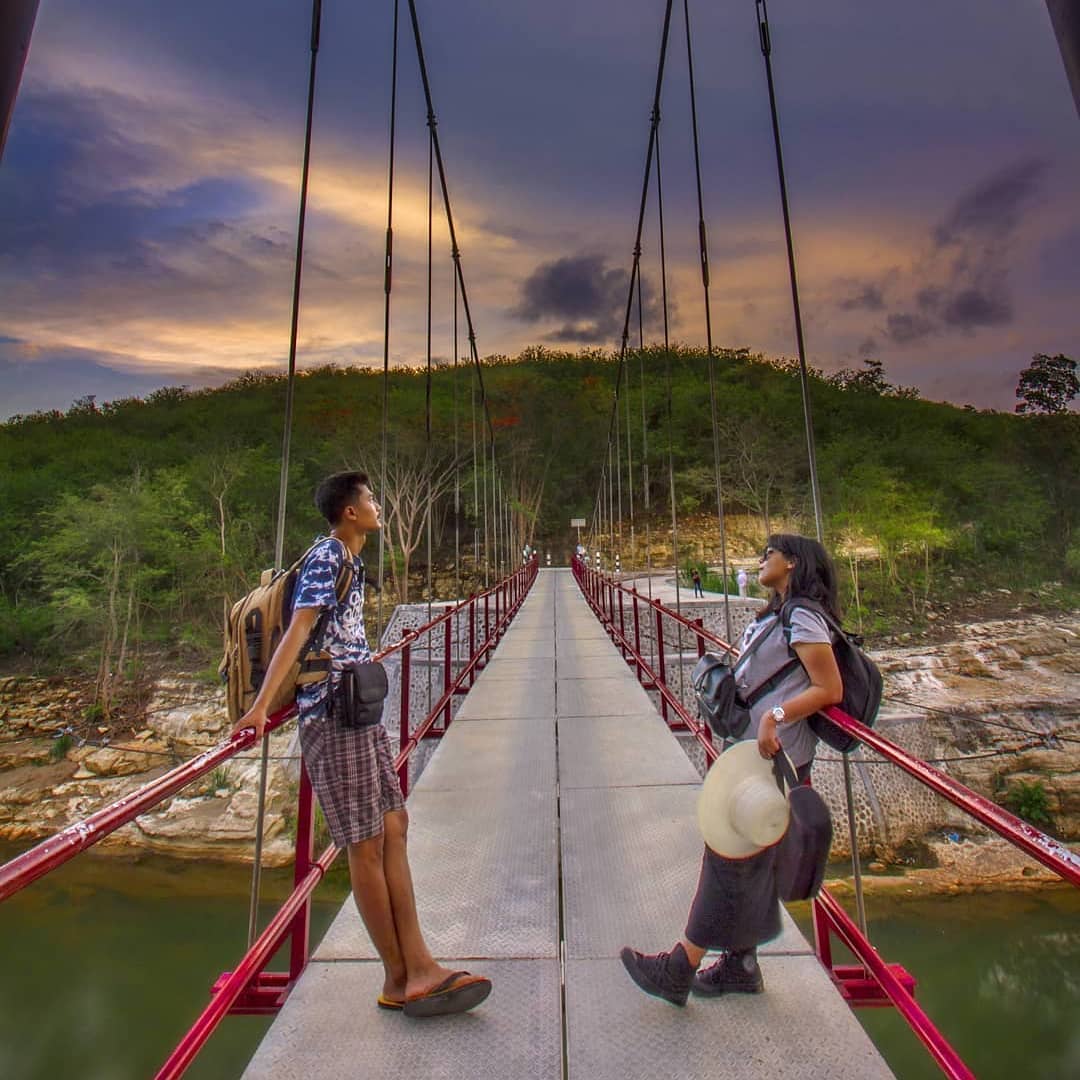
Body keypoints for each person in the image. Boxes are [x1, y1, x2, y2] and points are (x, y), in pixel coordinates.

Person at [234, 471, 491, 1018]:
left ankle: (411, 970)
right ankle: (407, 974)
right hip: (332, 711)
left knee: (394, 827)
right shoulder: (328, 556)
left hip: (358, 708)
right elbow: (299, 629)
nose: (377, 506)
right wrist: (261, 707)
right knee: (366, 842)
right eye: (371, 500)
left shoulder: (351, 561)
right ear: (350, 512)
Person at [619, 533, 843, 1005]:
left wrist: (774, 715)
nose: (762, 559)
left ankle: (680, 967)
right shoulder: (779, 615)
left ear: (794, 563)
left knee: (729, 858)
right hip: (754, 757)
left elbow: (829, 687)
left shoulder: (802, 616)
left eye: (771, 553)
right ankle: (740, 965)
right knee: (744, 858)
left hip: (774, 760)